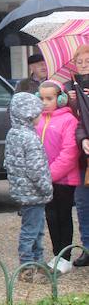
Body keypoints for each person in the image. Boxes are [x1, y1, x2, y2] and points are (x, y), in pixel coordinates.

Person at [4, 92, 53, 283]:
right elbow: (36, 169)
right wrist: (47, 188)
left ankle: (38, 264)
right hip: (34, 193)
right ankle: (27, 267)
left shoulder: (13, 133)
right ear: (30, 115)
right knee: (33, 231)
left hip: (23, 191)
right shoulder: (30, 138)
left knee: (34, 229)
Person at [36, 80, 81, 274]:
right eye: (42, 98)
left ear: (61, 99)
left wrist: (50, 173)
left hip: (63, 179)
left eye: (49, 98)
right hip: (45, 178)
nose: (45, 102)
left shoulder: (69, 120)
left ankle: (65, 256)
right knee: (51, 216)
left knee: (63, 216)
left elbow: (69, 153)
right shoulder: (38, 119)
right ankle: (57, 254)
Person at [66, 45, 89, 268]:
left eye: (87, 61)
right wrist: (72, 102)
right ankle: (87, 248)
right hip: (81, 157)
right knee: (82, 204)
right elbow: (76, 122)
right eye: (79, 61)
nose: (83, 65)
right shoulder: (69, 87)